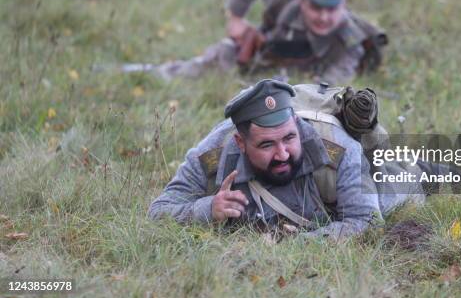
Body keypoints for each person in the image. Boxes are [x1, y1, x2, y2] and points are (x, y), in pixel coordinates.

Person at [148, 79, 387, 239]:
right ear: (240, 143)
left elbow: (368, 221)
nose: (282, 154)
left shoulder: (339, 150)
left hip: (381, 183)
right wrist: (208, 209)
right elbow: (158, 212)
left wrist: (299, 242)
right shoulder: (213, 154)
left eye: (289, 138)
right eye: (266, 144)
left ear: (296, 124)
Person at [124, 0, 387, 85]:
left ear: (345, 5)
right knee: (219, 56)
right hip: (263, 58)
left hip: (302, 80)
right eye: (315, 8)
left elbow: (332, 85)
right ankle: (146, 73)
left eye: (332, 9)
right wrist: (236, 16)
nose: (324, 17)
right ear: (302, 0)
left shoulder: (350, 39)